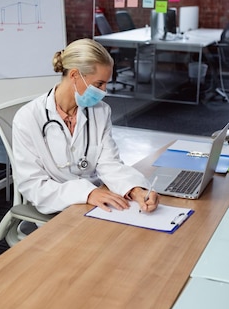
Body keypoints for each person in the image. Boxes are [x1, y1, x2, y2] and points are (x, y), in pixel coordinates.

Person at [12, 38, 159, 217]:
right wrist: (86, 193)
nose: (104, 91)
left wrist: (135, 190)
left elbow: (109, 163)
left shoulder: (101, 111)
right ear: (74, 75)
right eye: (99, 84)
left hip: (98, 201)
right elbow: (33, 185)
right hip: (57, 206)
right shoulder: (28, 118)